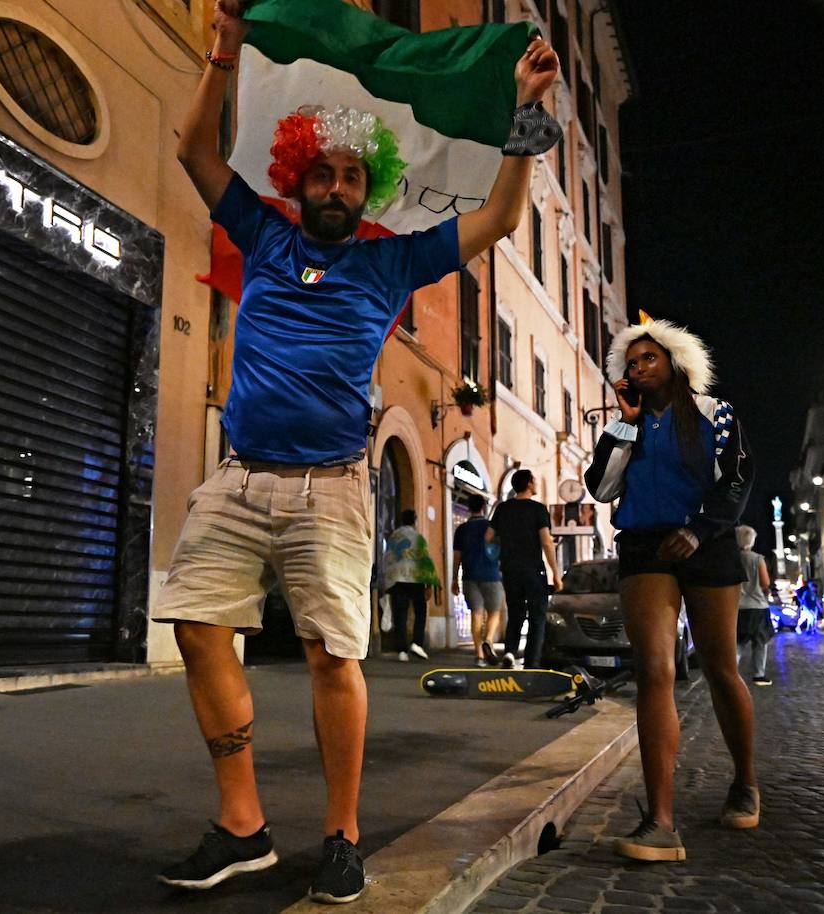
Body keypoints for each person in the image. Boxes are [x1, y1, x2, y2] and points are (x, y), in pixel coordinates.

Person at [151, 1, 561, 902]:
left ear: (364, 188)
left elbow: (494, 220)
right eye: (321, 174)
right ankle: (242, 823)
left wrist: (526, 117)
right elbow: (194, 154)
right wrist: (223, 54)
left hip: (333, 489)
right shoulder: (262, 234)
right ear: (296, 178)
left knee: (336, 659)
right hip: (238, 477)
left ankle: (341, 833)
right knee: (195, 627)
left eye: (349, 177)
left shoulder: (389, 263)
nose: (334, 188)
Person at [584, 319, 757, 863]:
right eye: (630, 363)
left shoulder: (715, 412)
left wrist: (701, 528)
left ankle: (745, 781)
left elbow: (737, 477)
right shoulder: (627, 425)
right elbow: (603, 487)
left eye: (647, 359)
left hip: (706, 542)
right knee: (654, 669)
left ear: (675, 361)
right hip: (643, 547)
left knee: (720, 667)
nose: (637, 368)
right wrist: (626, 427)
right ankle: (661, 820)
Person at [486, 469, 563, 669]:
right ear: (529, 484)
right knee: (537, 616)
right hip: (533, 569)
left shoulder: (502, 509)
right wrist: (555, 573)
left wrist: (507, 542)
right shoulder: (538, 509)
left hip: (509, 568)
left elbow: (488, 537)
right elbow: (546, 542)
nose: (536, 484)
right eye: (535, 481)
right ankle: (532, 663)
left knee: (516, 612)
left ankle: (510, 653)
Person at [451, 493, 505, 666]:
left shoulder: (461, 530)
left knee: (476, 614)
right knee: (495, 612)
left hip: (469, 576)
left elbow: (457, 557)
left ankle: (480, 655)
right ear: (483, 507)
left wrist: (454, 579)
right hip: (492, 575)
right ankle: (488, 640)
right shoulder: (491, 526)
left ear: (468, 508)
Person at [384, 510, 440, 661]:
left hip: (397, 580)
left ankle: (401, 651)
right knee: (420, 611)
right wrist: (429, 584)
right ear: (415, 521)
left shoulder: (394, 537)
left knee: (399, 615)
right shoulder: (418, 537)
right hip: (416, 579)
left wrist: (386, 580)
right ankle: (417, 643)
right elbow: (425, 560)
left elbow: (388, 558)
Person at [733, 526, 773, 686]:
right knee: (760, 642)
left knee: (738, 643)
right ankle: (759, 674)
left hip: (738, 607)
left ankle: (732, 673)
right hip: (758, 606)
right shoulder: (757, 559)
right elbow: (765, 583)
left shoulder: (732, 558)